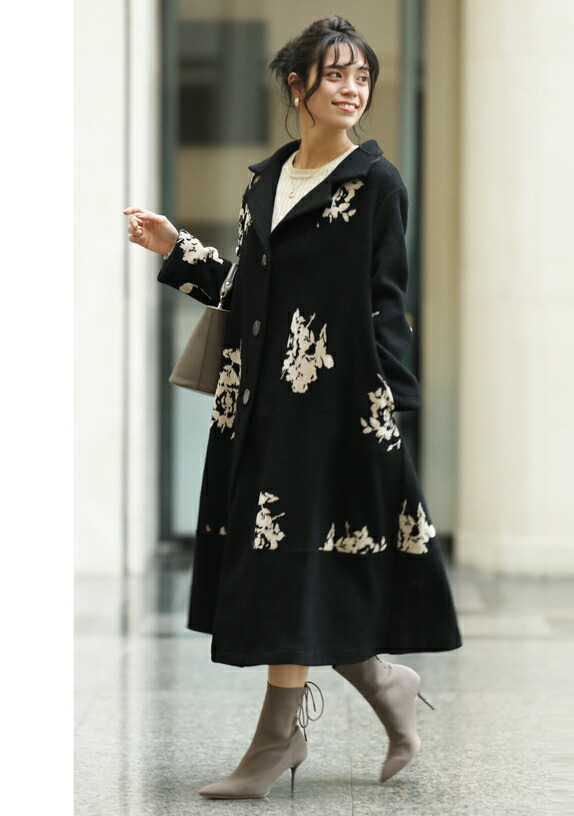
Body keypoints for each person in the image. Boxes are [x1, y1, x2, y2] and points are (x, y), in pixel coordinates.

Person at [124, 15, 462, 801]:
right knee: (293, 567)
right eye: (336, 75)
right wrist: (177, 250)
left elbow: (387, 301)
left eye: (362, 77)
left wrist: (392, 408)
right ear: (297, 84)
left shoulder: (375, 182)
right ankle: (385, 685)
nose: (352, 89)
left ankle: (277, 740)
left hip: (337, 407)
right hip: (259, 409)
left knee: (292, 565)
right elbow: (249, 293)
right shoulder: (265, 181)